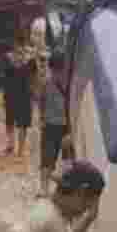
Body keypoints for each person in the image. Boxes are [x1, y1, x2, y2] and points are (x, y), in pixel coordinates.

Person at [38, 52, 72, 195]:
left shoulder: (45, 81)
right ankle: (66, 189)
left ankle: (44, 189)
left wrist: (42, 119)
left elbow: (41, 102)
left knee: (47, 159)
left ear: (51, 66)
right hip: (67, 126)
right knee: (68, 159)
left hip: (50, 125)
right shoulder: (70, 82)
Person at [0, 29, 36, 158]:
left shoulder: (8, 57)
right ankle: (19, 149)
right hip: (24, 93)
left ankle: (11, 146)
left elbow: (4, 77)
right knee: (22, 123)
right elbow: (34, 77)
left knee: (11, 121)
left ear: (14, 42)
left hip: (12, 93)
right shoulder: (30, 58)